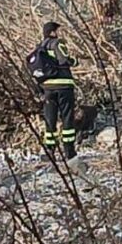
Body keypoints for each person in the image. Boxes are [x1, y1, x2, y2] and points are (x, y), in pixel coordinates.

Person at [39, 22, 80, 159]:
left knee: (50, 119)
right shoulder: (57, 43)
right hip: (63, 86)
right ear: (52, 32)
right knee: (67, 117)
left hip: (47, 88)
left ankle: (50, 150)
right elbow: (64, 60)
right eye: (56, 30)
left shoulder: (40, 47)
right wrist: (74, 61)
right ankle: (69, 150)